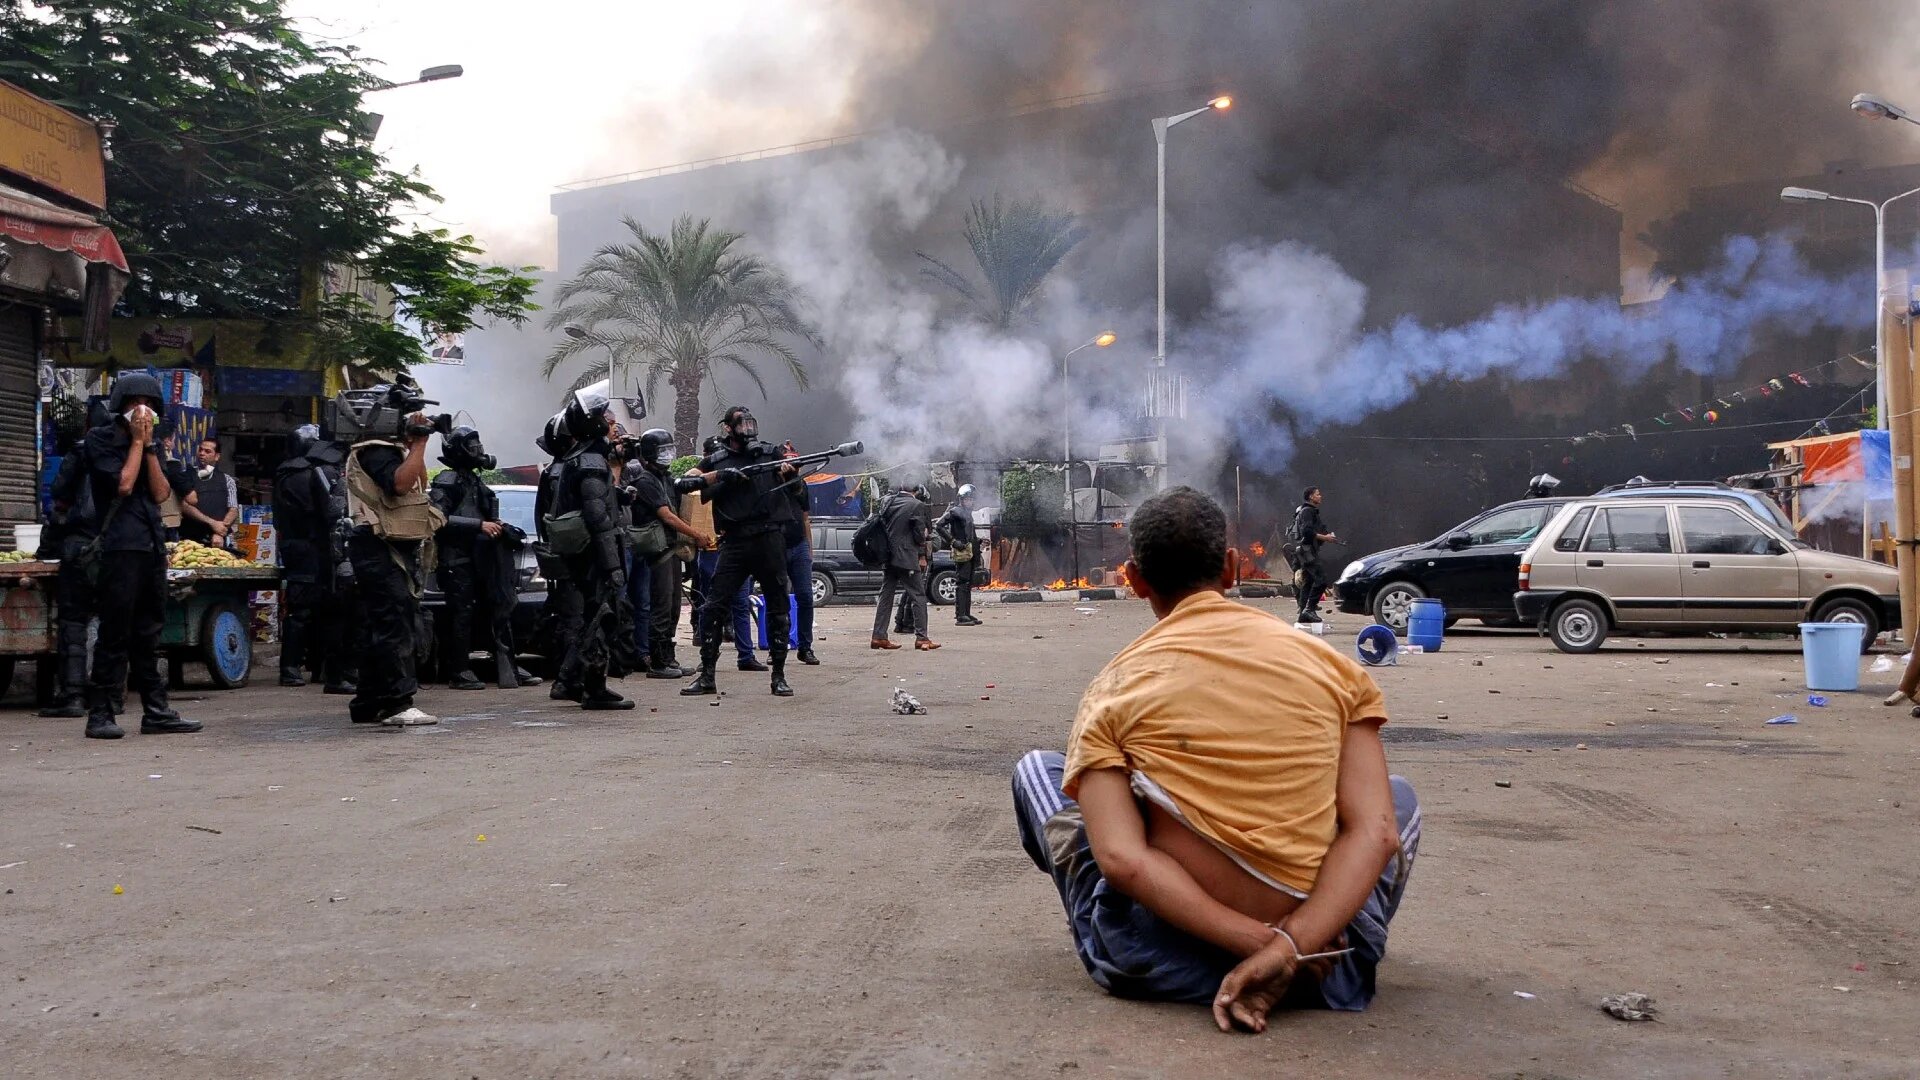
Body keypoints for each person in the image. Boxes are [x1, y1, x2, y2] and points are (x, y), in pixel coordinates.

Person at [1011, 486, 1420, 1031]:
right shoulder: (1335, 669)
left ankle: (1250, 952)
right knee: (1396, 799)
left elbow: (1123, 861)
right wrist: (1290, 946)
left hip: (1156, 959)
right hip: (1327, 962)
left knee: (1039, 771)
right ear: (1231, 568)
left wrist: (1264, 944)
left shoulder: (1114, 688)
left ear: (1133, 580)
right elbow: (1377, 834)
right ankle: (1312, 940)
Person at [76, 372, 203, 739]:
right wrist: (135, 442)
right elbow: (124, 485)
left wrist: (148, 447)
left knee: (149, 633)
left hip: (150, 544)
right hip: (119, 546)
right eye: (134, 405)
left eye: (147, 406)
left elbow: (161, 493)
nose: (141, 412)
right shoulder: (99, 441)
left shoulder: (154, 444)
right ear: (121, 407)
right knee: (115, 633)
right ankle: (100, 713)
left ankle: (157, 711)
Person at [342, 386, 445, 727]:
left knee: (382, 624)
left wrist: (415, 447)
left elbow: (417, 481)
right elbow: (400, 485)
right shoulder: (375, 450)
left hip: (385, 548)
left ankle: (369, 701)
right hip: (377, 547)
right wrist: (419, 444)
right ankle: (398, 702)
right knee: (395, 626)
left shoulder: (388, 450)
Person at [681, 406, 798, 697]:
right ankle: (707, 676)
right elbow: (684, 482)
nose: (747, 428)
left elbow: (796, 492)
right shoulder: (717, 459)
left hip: (770, 538)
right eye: (740, 423)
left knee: (778, 607)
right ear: (728, 428)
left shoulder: (771, 454)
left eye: (750, 422)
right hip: (734, 542)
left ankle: (779, 676)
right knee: (713, 607)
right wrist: (720, 476)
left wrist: (789, 473)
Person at [550, 383, 640, 710]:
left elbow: (597, 500)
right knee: (600, 619)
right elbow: (597, 518)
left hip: (587, 556)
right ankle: (593, 688)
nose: (610, 421)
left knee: (595, 617)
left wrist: (618, 495)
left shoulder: (583, 456)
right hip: (594, 557)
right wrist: (613, 566)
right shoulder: (590, 461)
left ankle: (578, 682)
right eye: (604, 416)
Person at [430, 424, 535, 690]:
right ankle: (459, 670)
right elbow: (438, 519)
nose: (478, 449)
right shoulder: (447, 480)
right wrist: (478, 526)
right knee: (461, 614)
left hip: (482, 559)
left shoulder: (475, 481)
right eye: (471, 444)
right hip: (457, 560)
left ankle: (507, 663)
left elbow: (486, 515)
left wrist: (500, 527)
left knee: (497, 609)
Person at [623, 428, 711, 677]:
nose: (669, 455)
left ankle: (669, 657)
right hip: (656, 552)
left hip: (670, 549)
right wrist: (696, 535)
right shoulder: (645, 481)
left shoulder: (664, 478)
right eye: (663, 450)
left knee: (672, 605)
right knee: (661, 605)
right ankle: (658, 661)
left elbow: (690, 484)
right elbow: (666, 515)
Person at [37, 423, 100, 719]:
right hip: (118, 548)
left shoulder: (80, 450)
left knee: (73, 621)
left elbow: (59, 494)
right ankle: (107, 696)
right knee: (113, 622)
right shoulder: (134, 451)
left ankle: (73, 695)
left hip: (80, 548)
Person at [274, 424, 332, 687]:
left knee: (312, 609)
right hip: (308, 547)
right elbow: (324, 511)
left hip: (298, 547)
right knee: (304, 611)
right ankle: (291, 668)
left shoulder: (286, 473)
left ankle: (309, 666)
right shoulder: (305, 474)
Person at [534, 413, 586, 700]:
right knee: (577, 620)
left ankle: (570, 678)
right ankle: (567, 679)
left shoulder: (554, 471)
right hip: (574, 558)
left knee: (574, 618)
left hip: (566, 557)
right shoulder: (564, 471)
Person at [871, 484, 939, 651]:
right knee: (918, 596)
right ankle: (922, 639)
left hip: (888, 557)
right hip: (907, 558)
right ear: (916, 491)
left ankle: (878, 636)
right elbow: (919, 535)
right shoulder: (917, 505)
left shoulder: (887, 501)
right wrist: (922, 555)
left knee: (885, 597)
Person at [781, 448, 820, 665]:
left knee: (805, 597)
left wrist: (809, 548)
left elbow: (805, 518)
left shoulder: (801, 485)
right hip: (777, 546)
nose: (793, 470)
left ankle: (805, 647)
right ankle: (778, 646)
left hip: (798, 546)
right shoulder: (772, 484)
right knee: (778, 599)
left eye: (796, 466)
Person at [178, 437, 239, 547]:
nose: (202, 453)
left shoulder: (227, 480)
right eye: (200, 450)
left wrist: (219, 532)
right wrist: (212, 523)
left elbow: (233, 509)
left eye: (207, 451)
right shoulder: (187, 476)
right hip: (190, 539)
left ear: (217, 456)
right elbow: (185, 505)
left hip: (218, 540)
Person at [1291, 486, 1338, 624]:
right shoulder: (1307, 511)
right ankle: (1309, 609)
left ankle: (1303, 613)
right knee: (1321, 580)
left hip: (1307, 551)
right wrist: (1325, 538)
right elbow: (1307, 532)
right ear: (1311, 497)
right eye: (1318, 494)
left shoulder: (1310, 511)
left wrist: (1328, 536)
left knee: (1309, 582)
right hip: (1307, 551)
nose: (1320, 496)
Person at [938, 484, 983, 627]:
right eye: (968, 499)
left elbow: (970, 533)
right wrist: (953, 541)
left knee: (968, 583)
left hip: (970, 551)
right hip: (962, 551)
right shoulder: (955, 512)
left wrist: (978, 543)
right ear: (962, 499)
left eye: (972, 499)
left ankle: (966, 613)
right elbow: (939, 526)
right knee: (962, 583)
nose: (971, 502)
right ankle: (960, 615)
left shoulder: (967, 513)